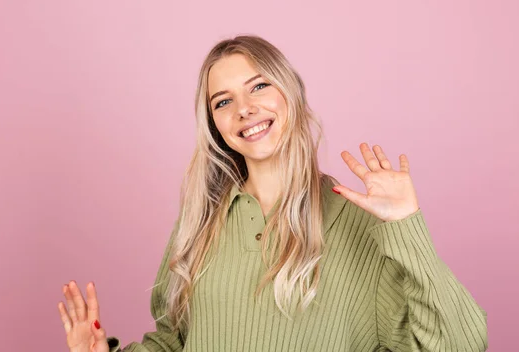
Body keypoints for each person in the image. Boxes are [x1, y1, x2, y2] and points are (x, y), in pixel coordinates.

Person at [57, 35, 488, 351]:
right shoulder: (200, 223)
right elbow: (174, 341)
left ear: (291, 95)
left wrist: (405, 225)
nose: (244, 108)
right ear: (217, 128)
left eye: (259, 86)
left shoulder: (361, 226)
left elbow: (459, 345)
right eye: (222, 101)